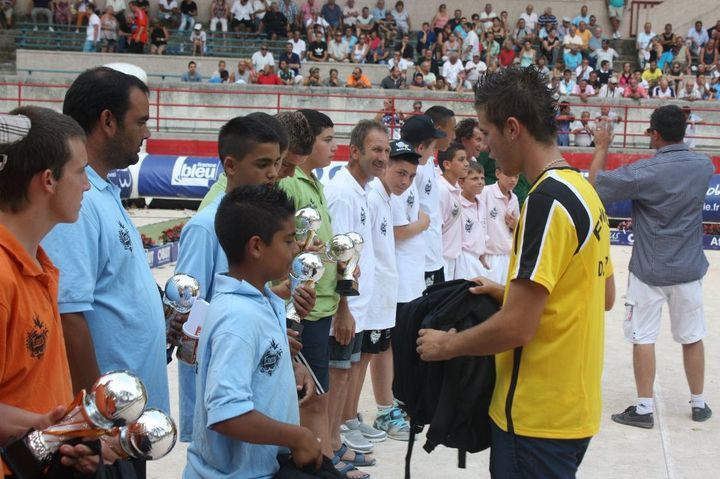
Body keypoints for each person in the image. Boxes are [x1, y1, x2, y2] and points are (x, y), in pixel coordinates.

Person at [417, 67, 615, 478]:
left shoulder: (544, 202)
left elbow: (519, 328)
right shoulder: (584, 192)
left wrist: (447, 345)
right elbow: (601, 295)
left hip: (534, 414)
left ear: (512, 128)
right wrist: (506, 291)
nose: (483, 149)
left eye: (486, 134)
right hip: (574, 407)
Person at [40, 68, 168, 478]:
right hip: (103, 433)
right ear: (108, 121)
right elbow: (68, 315)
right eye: (141, 121)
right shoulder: (79, 204)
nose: (147, 133)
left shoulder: (102, 193)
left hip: (122, 427)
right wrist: (96, 422)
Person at [0, 107, 121, 477]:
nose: (86, 185)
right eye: (81, 171)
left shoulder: (38, 263)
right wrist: (43, 425)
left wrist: (66, 438)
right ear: (48, 180)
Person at [183, 185, 322, 478]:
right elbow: (227, 413)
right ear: (257, 246)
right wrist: (298, 437)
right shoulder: (237, 318)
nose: (296, 249)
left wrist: (289, 369)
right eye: (288, 241)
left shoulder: (262, 300)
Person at [589, 104, 713, 428]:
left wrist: (602, 146)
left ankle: (644, 408)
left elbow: (596, 187)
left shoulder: (644, 172)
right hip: (688, 267)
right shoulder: (703, 165)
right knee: (692, 336)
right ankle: (698, 403)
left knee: (643, 337)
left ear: (654, 135)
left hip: (649, 269)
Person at [324, 120, 389, 472]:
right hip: (344, 308)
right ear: (355, 152)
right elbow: (338, 255)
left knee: (345, 376)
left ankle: (334, 442)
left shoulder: (362, 191)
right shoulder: (344, 194)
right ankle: (329, 448)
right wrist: (343, 309)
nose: (383, 157)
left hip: (357, 306)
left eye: (386, 151)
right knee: (336, 380)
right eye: (376, 150)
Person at [365, 139, 419, 441]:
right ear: (385, 167)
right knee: (363, 357)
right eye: (400, 173)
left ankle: (386, 409)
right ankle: (378, 413)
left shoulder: (387, 199)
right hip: (371, 292)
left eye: (411, 176)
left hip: (386, 287)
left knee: (381, 349)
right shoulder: (373, 198)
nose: (405, 182)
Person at [481, 167, 518, 285]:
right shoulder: (485, 192)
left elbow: (517, 228)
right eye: (509, 175)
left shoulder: (514, 198)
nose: (513, 180)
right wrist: (480, 253)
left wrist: (516, 225)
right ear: (497, 173)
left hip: (508, 255)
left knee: (505, 296)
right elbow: (479, 223)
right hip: (490, 255)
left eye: (516, 177)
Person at [437, 143, 469, 280]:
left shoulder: (455, 188)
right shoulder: (440, 189)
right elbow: (436, 228)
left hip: (455, 258)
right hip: (441, 259)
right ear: (447, 164)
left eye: (466, 159)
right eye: (461, 160)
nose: (467, 164)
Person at [455, 161, 489, 280]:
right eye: (474, 178)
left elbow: (482, 233)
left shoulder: (482, 204)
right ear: (461, 182)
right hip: (462, 260)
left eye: (482, 178)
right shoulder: (457, 204)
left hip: (477, 258)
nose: (480, 182)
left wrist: (482, 256)